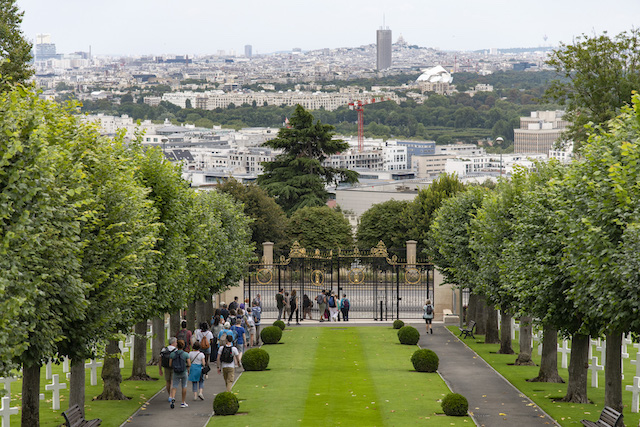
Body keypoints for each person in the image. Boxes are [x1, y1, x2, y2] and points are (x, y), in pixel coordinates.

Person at [169, 339, 191, 409]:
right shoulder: (186, 354)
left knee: (174, 386)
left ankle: (172, 397)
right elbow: (189, 364)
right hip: (184, 371)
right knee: (184, 386)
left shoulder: (172, 354)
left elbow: (170, 364)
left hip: (176, 372)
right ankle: (183, 402)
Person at [159, 337, 177, 402]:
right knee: (172, 381)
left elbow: (160, 359)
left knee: (167, 381)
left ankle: (169, 394)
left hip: (166, 367)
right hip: (173, 367)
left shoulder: (164, 349)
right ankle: (171, 396)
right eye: (176, 342)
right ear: (173, 343)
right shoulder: (176, 350)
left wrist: (160, 369)